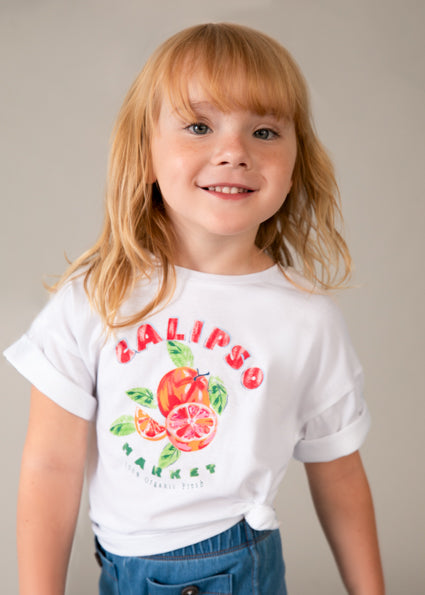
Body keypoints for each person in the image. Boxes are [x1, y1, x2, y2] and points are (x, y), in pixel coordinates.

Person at [4, 22, 385, 595]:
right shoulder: (96, 295)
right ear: (146, 152)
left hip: (233, 570)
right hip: (120, 571)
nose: (234, 152)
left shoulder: (306, 319)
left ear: (296, 163)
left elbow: (340, 474)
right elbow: (50, 467)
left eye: (263, 131)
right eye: (200, 126)